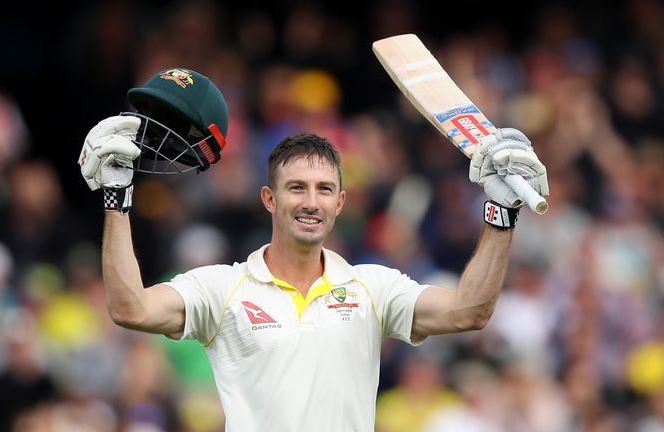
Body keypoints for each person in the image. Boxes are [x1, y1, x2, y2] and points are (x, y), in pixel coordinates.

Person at [78, 67, 549, 431]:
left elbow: (469, 312)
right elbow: (130, 308)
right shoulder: (222, 288)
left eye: (324, 190)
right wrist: (117, 199)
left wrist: (500, 213)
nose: (311, 202)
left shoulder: (372, 288)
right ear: (270, 199)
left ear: (340, 203)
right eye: (296, 188)